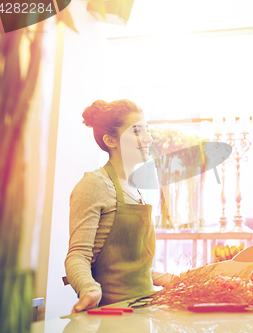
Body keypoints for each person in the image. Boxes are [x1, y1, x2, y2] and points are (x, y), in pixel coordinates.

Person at [65, 99, 173, 313]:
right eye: (136, 131)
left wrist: (166, 278)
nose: (148, 138)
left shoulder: (136, 189)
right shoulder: (95, 184)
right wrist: (89, 289)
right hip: (112, 316)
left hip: (143, 312)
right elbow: (78, 255)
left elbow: (132, 267)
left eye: (147, 130)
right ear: (110, 140)